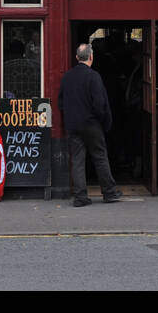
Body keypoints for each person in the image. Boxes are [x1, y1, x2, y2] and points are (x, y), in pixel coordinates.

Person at [59, 44, 121, 206]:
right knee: (100, 157)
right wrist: (104, 122)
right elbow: (100, 104)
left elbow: (61, 102)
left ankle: (80, 197)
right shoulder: (94, 77)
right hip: (91, 124)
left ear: (77, 57)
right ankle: (109, 193)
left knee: (78, 160)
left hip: (73, 124)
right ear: (91, 57)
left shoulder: (67, 77)